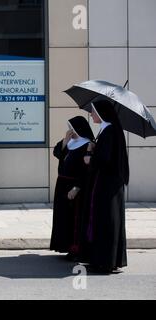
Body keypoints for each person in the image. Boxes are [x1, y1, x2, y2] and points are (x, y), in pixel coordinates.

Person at [81, 100, 129, 273]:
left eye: (93, 111)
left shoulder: (109, 131)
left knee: (106, 220)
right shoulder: (109, 130)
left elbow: (105, 159)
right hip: (109, 182)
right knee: (105, 219)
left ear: (101, 113)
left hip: (108, 184)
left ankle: (105, 261)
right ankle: (103, 259)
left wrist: (90, 158)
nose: (92, 114)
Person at [50, 116, 94, 260]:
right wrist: (65, 141)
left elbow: (86, 171)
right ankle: (65, 246)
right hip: (62, 184)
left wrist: (76, 187)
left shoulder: (87, 145)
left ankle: (76, 249)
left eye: (72, 128)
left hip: (75, 186)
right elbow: (57, 153)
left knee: (75, 218)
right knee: (63, 217)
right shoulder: (70, 142)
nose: (71, 131)